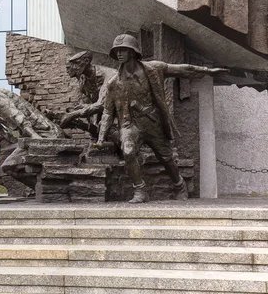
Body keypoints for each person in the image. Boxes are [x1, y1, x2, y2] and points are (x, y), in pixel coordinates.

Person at [96, 34, 228, 203]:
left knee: (166, 158)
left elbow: (182, 69)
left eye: (123, 50)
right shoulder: (114, 83)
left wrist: (207, 71)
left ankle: (179, 184)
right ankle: (140, 190)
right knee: (128, 152)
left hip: (152, 122)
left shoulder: (153, 69)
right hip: (130, 124)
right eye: (117, 51)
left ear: (132, 51)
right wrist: (101, 138)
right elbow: (108, 112)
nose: (119, 54)